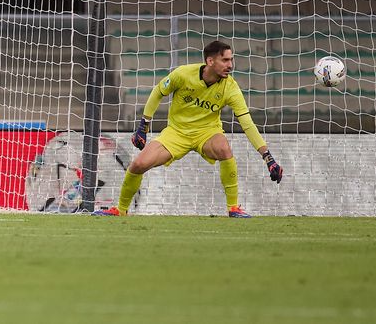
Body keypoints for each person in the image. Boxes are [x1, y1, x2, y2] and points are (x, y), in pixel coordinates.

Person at [93, 40, 283, 218]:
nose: (230, 65)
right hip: (176, 133)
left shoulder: (231, 88)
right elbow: (158, 91)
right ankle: (121, 209)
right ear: (210, 61)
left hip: (207, 133)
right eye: (225, 60)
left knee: (224, 148)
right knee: (138, 165)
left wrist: (268, 158)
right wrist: (144, 124)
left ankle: (233, 207)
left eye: (231, 60)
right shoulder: (183, 74)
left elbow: (247, 124)